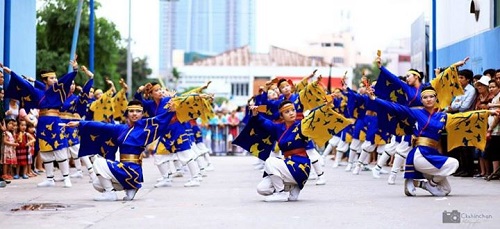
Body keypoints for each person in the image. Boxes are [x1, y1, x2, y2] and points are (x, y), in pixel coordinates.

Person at [367, 86, 496, 196]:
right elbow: (394, 107)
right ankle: (430, 183)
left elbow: (465, 116)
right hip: (420, 155)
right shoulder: (415, 113)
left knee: (445, 190)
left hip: (432, 154)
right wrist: (374, 99)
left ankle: (419, 183)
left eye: (431, 96)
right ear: (421, 100)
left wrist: (487, 112)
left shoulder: (443, 116)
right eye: (425, 97)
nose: (428, 99)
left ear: (436, 98)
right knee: (453, 163)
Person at [67, 100, 176, 201]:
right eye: (131, 111)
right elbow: (102, 126)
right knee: (97, 183)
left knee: (97, 162)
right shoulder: (121, 129)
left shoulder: (145, 128)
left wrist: (171, 111)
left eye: (138, 111)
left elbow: (160, 120)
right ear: (127, 113)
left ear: (142, 114)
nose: (134, 114)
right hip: (124, 169)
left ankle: (110, 193)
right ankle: (129, 189)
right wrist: (80, 124)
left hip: (133, 171)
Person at [251, 99, 349, 201]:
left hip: (300, 166)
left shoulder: (302, 126)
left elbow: (314, 115)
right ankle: (292, 187)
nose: (291, 113)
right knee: (261, 189)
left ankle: (281, 193)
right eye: (287, 112)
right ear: (281, 116)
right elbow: (264, 122)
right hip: (287, 165)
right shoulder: (278, 128)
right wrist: (255, 115)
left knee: (270, 161)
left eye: (292, 110)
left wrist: (325, 106)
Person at [2, 58, 79, 188]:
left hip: (55, 121)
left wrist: (75, 70)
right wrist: (11, 73)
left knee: (59, 148)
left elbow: (65, 81)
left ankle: (66, 178)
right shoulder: (39, 92)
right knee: (45, 150)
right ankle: (49, 178)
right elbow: (25, 85)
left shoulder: (57, 91)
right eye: (51, 78)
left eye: (55, 78)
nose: (55, 80)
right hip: (43, 122)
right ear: (45, 80)